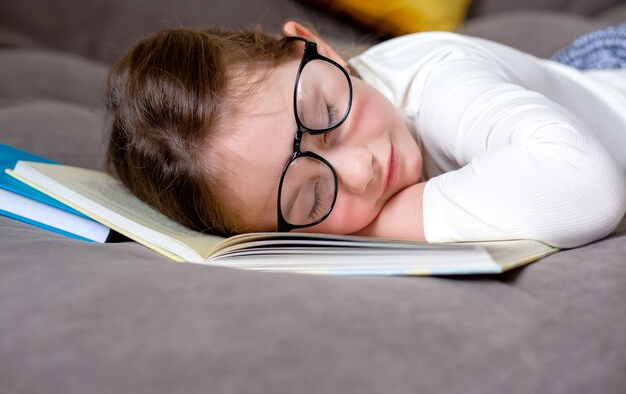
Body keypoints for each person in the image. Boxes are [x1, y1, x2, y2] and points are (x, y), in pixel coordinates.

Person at [106, 21, 626, 249]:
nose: (360, 171)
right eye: (310, 199)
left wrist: (375, 225)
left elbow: (588, 188)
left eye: (328, 110)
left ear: (318, 47)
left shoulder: (440, 81)